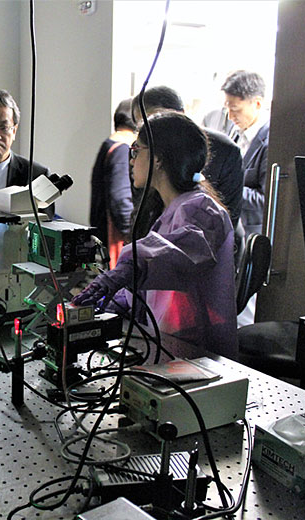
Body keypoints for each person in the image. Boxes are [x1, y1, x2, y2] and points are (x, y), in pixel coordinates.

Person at [72, 112, 238, 359]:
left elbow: (178, 256)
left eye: (136, 150)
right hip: (166, 346)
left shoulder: (204, 210)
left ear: (158, 159)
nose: (131, 160)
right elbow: (148, 291)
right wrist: (107, 303)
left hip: (198, 355)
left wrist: (125, 271)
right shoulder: (168, 210)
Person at [130, 87, 244, 261]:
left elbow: (227, 220)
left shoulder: (201, 211)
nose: (151, 130)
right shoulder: (141, 156)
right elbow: (139, 212)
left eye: (160, 121)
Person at [89, 98, 136, 268]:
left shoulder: (108, 144)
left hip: (101, 236)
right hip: (113, 241)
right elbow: (121, 198)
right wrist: (133, 237)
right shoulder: (122, 149)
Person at [221, 70, 269, 236]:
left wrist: (225, 185)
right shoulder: (235, 132)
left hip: (251, 234)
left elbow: (265, 200)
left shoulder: (270, 143)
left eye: (235, 109)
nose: (230, 116)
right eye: (227, 108)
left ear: (257, 103)